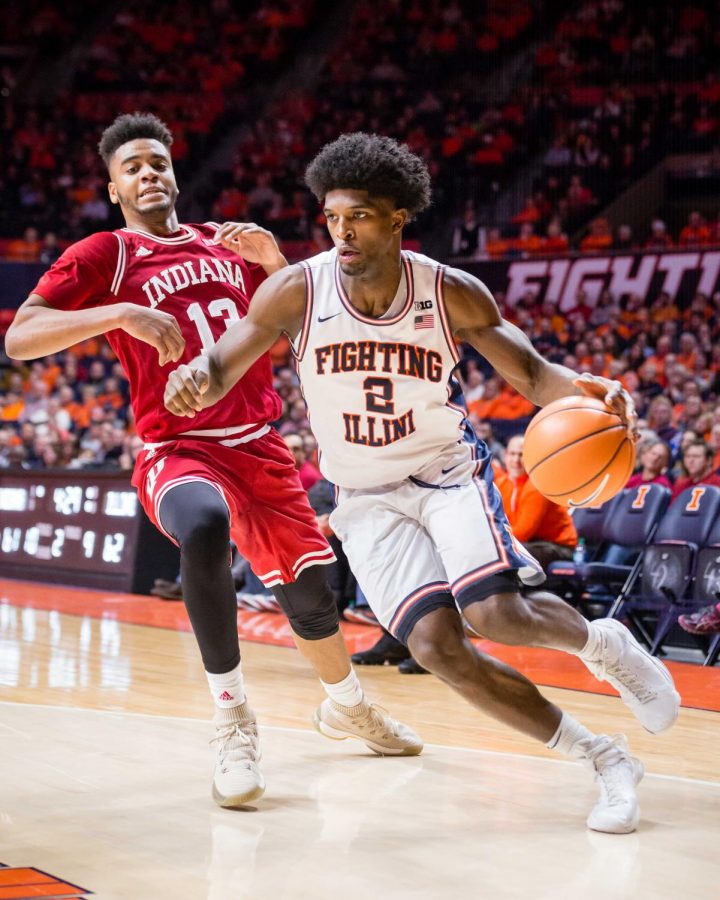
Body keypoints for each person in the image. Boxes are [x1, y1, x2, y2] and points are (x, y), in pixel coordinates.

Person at [164, 132, 680, 834]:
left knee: (495, 612)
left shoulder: (447, 289)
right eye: (334, 217)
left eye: (362, 216)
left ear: (399, 216)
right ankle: (604, 758)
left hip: (444, 473)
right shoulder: (296, 289)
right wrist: (197, 379)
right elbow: (222, 363)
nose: (343, 232)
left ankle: (605, 647)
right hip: (365, 498)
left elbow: (530, 374)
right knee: (436, 648)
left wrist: (583, 391)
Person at [5, 114, 421, 810]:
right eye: (133, 166)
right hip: (177, 448)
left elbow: (314, 331)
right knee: (201, 525)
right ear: (113, 188)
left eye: (158, 162)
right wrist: (117, 315)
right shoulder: (106, 254)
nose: (149, 174)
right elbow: (21, 336)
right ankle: (232, 719)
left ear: (174, 173)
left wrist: (276, 266)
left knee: (312, 598)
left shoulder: (230, 243)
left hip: (260, 445)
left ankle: (347, 705)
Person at [495, 434, 577, 571]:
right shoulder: (501, 484)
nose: (516, 460)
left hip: (557, 547)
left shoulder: (537, 485)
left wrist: (492, 540)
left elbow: (523, 533)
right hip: (529, 543)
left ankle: (508, 591)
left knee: (506, 554)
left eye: (522, 455)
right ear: (505, 456)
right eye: (512, 454)